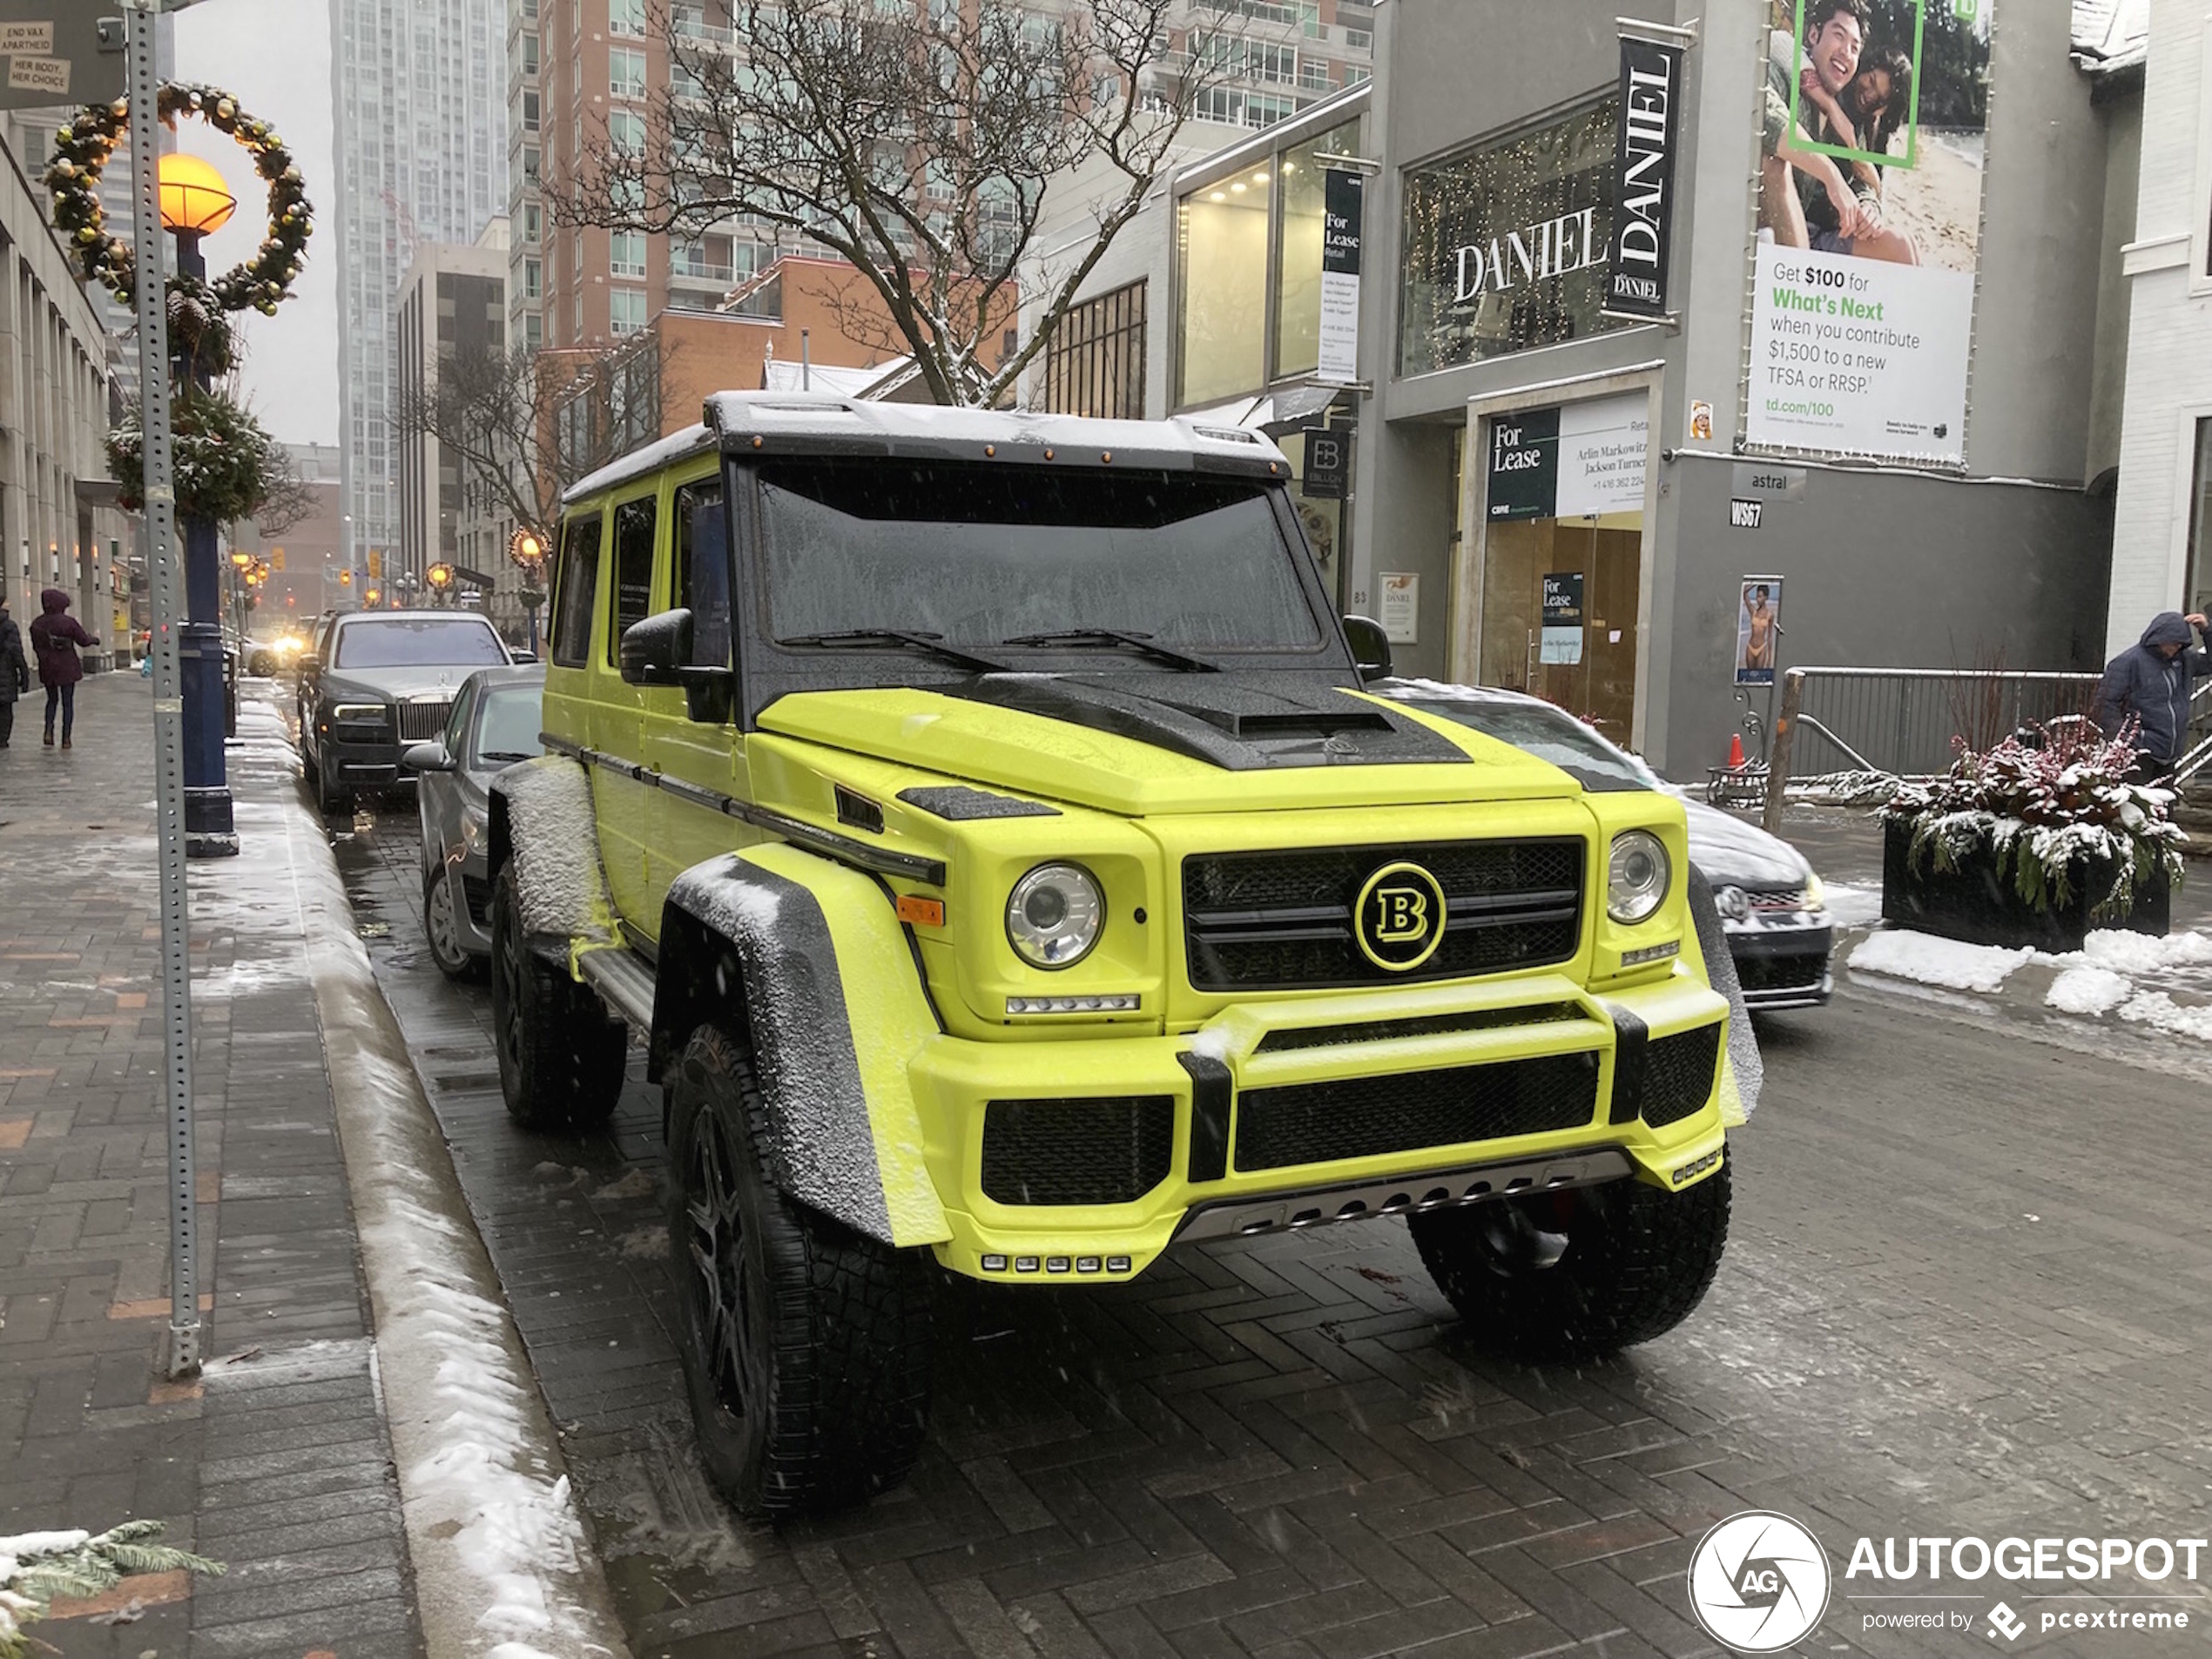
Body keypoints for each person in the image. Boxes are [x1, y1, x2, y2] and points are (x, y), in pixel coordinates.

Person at [1758, 1, 1919, 266]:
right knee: (1776, 163)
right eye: (1838, 35)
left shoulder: (1856, 121)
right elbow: (1767, 115)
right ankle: (1797, 293)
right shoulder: (1785, 65)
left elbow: (1863, 184)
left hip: (1820, 236)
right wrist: (1832, 178)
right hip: (1770, 229)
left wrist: (1869, 207)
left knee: (1902, 246)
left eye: (1855, 48)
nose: (1846, 52)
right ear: (1813, 35)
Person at [2093, 610, 2212, 784]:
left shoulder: (2184, 659)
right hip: (2139, 755)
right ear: (2159, 638)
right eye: (2172, 643)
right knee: (2139, 809)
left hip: (2170, 754)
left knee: (2163, 809)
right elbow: (2104, 706)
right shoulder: (2128, 662)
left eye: (2180, 645)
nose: (2175, 649)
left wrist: (2207, 630)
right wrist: (2129, 740)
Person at [29, 587, 98, 750]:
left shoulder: (37, 624)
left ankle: (48, 732)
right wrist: (94, 640)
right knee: (67, 703)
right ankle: (66, 738)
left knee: (51, 700)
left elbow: (36, 646)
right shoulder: (68, 622)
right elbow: (83, 640)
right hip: (67, 666)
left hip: (47, 667)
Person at [0, 596, 26, 747]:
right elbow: (16, 651)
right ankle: (2, 739)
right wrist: (24, 673)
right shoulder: (9, 626)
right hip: (6, 672)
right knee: (5, 708)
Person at [1743, 585, 1777, 672]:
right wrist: (1754, 582)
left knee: (1758, 674)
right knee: (1749, 674)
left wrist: (1769, 657)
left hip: (1761, 648)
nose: (1758, 600)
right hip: (1751, 647)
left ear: (1766, 598)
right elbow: (1745, 593)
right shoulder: (1753, 611)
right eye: (1757, 597)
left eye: (1760, 597)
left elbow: (1770, 636)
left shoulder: (1770, 615)